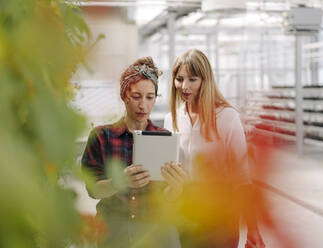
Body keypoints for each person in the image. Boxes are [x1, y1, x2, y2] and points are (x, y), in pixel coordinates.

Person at [163, 49, 265, 248]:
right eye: (179, 79)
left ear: (205, 80)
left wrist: (253, 230)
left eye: (192, 79)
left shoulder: (227, 118)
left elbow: (242, 178)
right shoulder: (171, 119)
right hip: (183, 216)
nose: (184, 86)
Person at [81, 57, 181, 248]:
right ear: (124, 96)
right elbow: (93, 190)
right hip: (113, 233)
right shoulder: (102, 136)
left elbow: (167, 197)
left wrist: (176, 188)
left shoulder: (165, 139)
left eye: (150, 97)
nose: (143, 105)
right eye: (136, 97)